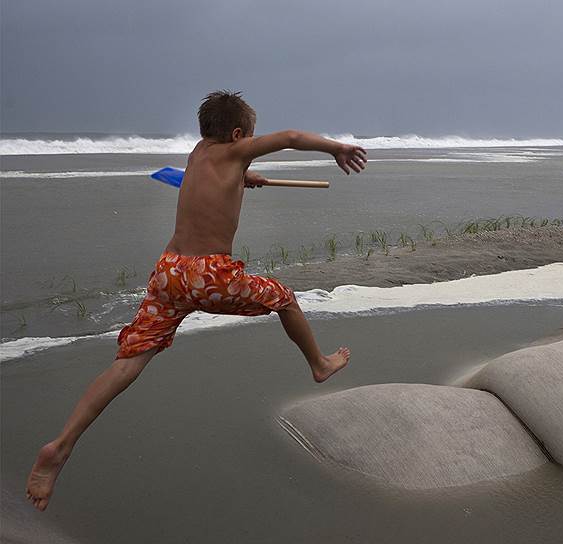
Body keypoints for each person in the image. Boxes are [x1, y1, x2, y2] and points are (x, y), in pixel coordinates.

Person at [25, 90, 367, 512]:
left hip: (169, 272)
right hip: (208, 275)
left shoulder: (197, 153)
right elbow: (293, 136)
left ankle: (60, 446)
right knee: (285, 299)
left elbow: (208, 186)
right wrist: (338, 147)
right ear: (239, 134)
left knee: (128, 361)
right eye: (248, 139)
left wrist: (245, 177)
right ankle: (320, 364)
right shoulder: (237, 151)